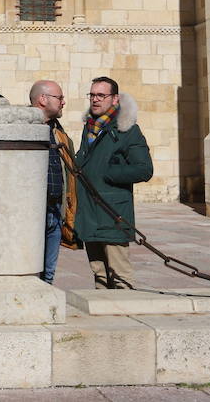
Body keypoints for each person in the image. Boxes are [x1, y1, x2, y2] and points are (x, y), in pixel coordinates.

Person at [73, 76, 152, 289]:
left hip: (113, 212)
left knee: (120, 275)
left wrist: (109, 172)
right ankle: (104, 318)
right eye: (92, 95)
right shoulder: (90, 127)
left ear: (115, 99)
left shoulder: (128, 130)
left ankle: (128, 317)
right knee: (99, 273)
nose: (95, 100)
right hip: (89, 212)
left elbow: (145, 169)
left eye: (101, 95)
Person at [28, 79, 77, 283]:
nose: (63, 102)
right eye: (59, 97)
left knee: (48, 275)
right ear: (42, 99)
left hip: (56, 209)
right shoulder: (23, 128)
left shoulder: (59, 133)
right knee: (29, 273)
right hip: (31, 213)